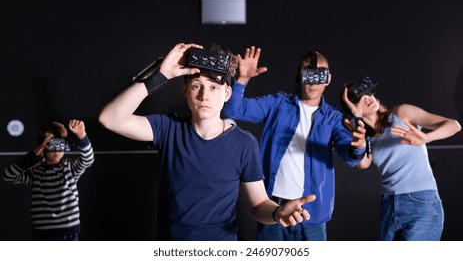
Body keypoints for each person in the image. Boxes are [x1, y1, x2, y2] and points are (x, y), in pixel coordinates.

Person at [98, 42, 317, 241]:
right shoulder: (168, 129)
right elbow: (110, 119)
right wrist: (162, 74)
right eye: (196, 86)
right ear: (185, 90)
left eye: (214, 87)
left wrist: (278, 212)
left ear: (227, 93)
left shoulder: (244, 144)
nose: (204, 96)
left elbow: (259, 204)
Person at [222, 47, 369, 241]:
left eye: (320, 74)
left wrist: (358, 146)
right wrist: (242, 80)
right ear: (299, 75)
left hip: (313, 214)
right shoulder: (277, 104)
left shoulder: (334, 118)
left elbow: (348, 153)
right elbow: (234, 109)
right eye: (308, 72)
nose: (313, 80)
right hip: (273, 209)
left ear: (328, 78)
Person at [340, 76, 461, 240]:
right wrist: (357, 117)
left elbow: (454, 125)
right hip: (389, 205)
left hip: (421, 201)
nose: (367, 98)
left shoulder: (401, 113)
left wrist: (427, 138)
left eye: (369, 94)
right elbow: (362, 163)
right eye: (360, 98)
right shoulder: (366, 139)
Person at [2, 119, 94, 241]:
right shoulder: (35, 172)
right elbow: (8, 175)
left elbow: (88, 159)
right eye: (51, 142)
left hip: (69, 233)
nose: (56, 147)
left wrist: (82, 135)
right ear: (42, 145)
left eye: (61, 142)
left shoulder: (69, 167)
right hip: (42, 234)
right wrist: (33, 155)